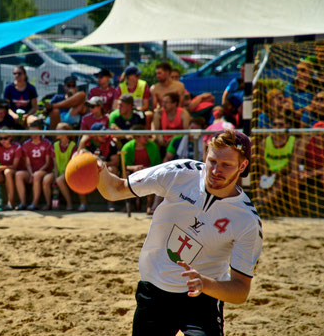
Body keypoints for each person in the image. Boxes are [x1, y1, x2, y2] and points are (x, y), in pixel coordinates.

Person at [95, 129, 263, 335]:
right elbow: (115, 189)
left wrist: (205, 283)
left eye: (226, 165)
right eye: (212, 161)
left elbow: (240, 290)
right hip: (154, 290)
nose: (216, 170)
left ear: (242, 166)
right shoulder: (180, 173)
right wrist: (98, 170)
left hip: (202, 300)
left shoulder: (247, 220)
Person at [256, 117, 300, 215]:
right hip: (270, 172)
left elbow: (293, 164)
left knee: (281, 181)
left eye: (280, 125)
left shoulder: (294, 141)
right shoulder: (264, 142)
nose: (277, 127)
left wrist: (277, 173)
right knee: (260, 182)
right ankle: (260, 205)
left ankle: (261, 203)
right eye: (274, 124)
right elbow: (263, 163)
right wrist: (267, 174)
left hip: (285, 173)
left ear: (287, 125)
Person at [78, 122, 119, 212]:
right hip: (90, 168)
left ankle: (110, 203)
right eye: (101, 134)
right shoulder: (87, 143)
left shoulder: (110, 142)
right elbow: (77, 158)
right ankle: (83, 203)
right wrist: (81, 142)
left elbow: (115, 162)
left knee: (113, 170)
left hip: (105, 167)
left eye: (105, 133)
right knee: (78, 173)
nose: (104, 136)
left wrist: (102, 165)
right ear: (94, 135)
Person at [43, 123, 84, 211]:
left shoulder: (72, 146)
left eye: (59, 130)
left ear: (65, 133)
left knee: (59, 180)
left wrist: (62, 175)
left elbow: (71, 163)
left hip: (69, 172)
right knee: (46, 180)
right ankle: (48, 204)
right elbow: (55, 164)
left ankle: (69, 204)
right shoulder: (55, 145)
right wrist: (56, 175)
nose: (56, 132)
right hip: (57, 171)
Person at [121, 125, 162, 215]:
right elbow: (125, 166)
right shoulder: (127, 147)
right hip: (133, 173)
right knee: (125, 176)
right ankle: (129, 204)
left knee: (153, 178)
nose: (147, 138)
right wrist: (134, 168)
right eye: (144, 136)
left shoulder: (153, 146)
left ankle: (149, 205)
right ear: (136, 137)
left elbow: (158, 164)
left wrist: (147, 169)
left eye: (147, 135)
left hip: (149, 171)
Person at [15, 119, 52, 210]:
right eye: (31, 132)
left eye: (36, 132)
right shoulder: (26, 144)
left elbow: (47, 163)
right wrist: (30, 173)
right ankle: (23, 202)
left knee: (37, 175)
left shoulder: (47, 143)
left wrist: (37, 172)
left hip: (44, 171)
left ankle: (34, 203)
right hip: (32, 171)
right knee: (18, 175)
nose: (34, 135)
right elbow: (27, 163)